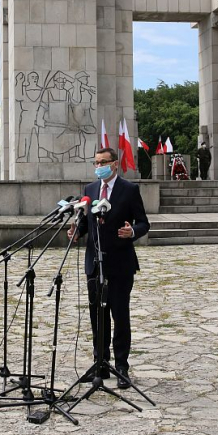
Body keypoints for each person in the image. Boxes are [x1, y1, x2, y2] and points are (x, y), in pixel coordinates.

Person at [67, 147, 150, 389]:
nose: (99, 166)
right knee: (97, 315)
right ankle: (100, 363)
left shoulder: (129, 190)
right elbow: (85, 223)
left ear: (115, 164)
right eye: (96, 162)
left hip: (120, 264)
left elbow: (144, 222)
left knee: (120, 315)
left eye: (103, 162)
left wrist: (132, 231)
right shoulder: (90, 190)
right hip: (94, 262)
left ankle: (121, 365)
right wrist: (76, 232)